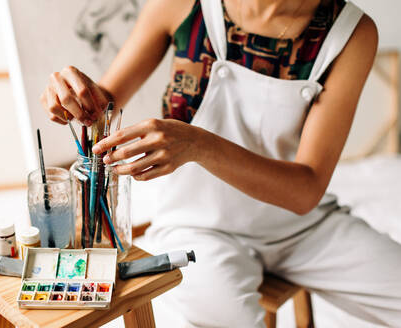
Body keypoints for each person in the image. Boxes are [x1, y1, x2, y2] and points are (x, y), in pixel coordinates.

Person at [40, 0, 401, 326]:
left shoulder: (350, 32)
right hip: (198, 226)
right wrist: (73, 96)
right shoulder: (182, 5)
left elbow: (306, 191)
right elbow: (102, 107)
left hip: (303, 228)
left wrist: (197, 143)